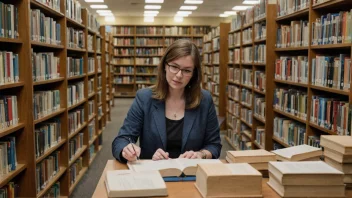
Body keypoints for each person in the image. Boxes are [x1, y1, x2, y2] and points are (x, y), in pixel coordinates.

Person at [112, 39, 222, 163]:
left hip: (192, 175)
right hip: (153, 174)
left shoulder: (204, 100)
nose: (179, 75)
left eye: (186, 70)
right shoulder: (144, 98)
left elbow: (214, 145)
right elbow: (121, 140)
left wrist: (200, 155)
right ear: (165, 65)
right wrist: (127, 150)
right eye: (174, 67)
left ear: (194, 74)